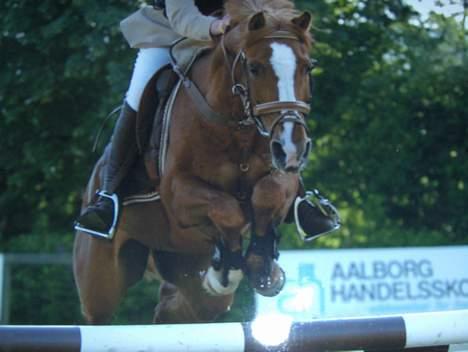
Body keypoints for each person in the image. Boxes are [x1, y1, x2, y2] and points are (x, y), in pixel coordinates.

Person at [75, 0, 340, 240]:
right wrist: (213, 25)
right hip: (174, 35)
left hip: (242, 40)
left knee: (272, 82)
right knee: (138, 93)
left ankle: (299, 196)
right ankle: (108, 194)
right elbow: (182, 15)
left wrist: (277, 27)